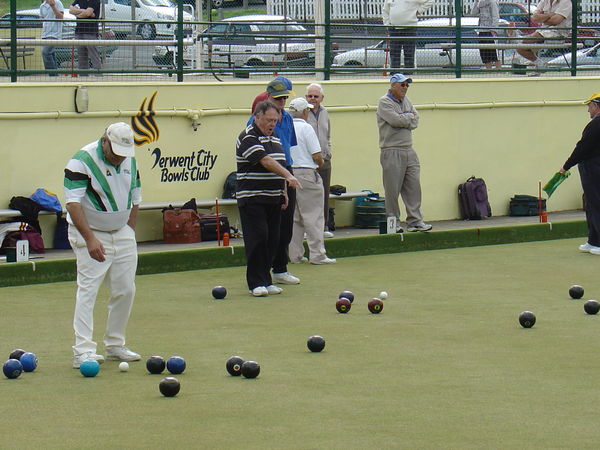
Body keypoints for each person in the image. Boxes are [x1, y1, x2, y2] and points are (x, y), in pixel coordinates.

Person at [64, 122, 142, 368]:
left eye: (124, 154)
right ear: (105, 141)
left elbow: (136, 197)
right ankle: (83, 350)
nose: (120, 159)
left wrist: (128, 229)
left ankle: (115, 345)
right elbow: (73, 204)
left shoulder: (129, 159)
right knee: (88, 290)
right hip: (90, 233)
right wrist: (90, 239)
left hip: (122, 232)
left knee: (126, 289)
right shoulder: (81, 160)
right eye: (116, 153)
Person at [237, 101, 302, 296]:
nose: (272, 124)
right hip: (252, 197)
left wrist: (283, 191)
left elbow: (280, 162)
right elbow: (266, 161)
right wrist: (289, 177)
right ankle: (256, 283)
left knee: (273, 239)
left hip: (274, 198)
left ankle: (266, 280)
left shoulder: (275, 138)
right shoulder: (247, 136)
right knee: (258, 238)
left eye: (275, 120)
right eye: (268, 120)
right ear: (257, 117)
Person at [248, 77, 300, 285]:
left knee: (285, 227)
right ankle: (263, 273)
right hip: (266, 173)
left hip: (286, 169)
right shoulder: (256, 122)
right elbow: (262, 156)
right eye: (278, 98)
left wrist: (288, 173)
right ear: (268, 96)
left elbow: (289, 146)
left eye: (285, 98)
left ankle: (280, 268)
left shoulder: (286, 118)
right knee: (266, 231)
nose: (282, 102)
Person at [376, 73, 432, 233]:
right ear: (393, 85)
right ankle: (393, 223)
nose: (405, 87)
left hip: (409, 149)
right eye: (402, 85)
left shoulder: (407, 101)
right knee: (392, 189)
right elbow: (396, 120)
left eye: (407, 85)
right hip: (391, 150)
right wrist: (407, 118)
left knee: (414, 186)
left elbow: (416, 120)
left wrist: (405, 118)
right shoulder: (384, 102)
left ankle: (415, 221)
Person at [288, 97, 336, 265]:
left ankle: (294, 255)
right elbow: (317, 155)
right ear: (305, 112)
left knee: (295, 217)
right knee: (313, 216)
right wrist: (321, 164)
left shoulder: (285, 127)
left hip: (289, 174)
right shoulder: (307, 128)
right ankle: (317, 254)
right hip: (307, 173)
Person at [559, 93, 600, 254]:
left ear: (596, 106)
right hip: (593, 167)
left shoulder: (596, 124)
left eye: (589, 107)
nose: (588, 111)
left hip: (594, 168)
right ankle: (593, 240)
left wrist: (566, 166)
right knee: (591, 203)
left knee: (596, 204)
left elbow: (582, 148)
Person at [305, 82, 334, 238]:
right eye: (310, 96)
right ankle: (306, 229)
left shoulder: (325, 112)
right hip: (307, 162)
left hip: (324, 159)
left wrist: (328, 151)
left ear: (322, 98)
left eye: (316, 96)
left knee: (324, 193)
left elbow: (327, 134)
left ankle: (323, 227)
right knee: (308, 196)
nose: (313, 99)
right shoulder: (302, 113)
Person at [516, 0, 572, 76]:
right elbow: (534, 18)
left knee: (527, 40)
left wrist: (542, 17)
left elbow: (556, 20)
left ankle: (540, 66)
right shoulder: (544, 1)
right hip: (543, 31)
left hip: (558, 33)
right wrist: (550, 15)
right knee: (520, 48)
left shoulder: (565, 2)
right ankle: (541, 65)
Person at [382, 0, 434, 74]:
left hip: (410, 28)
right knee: (394, 53)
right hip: (393, 29)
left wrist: (419, 11)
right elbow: (385, 11)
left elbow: (430, 1)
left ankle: (408, 74)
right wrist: (387, 25)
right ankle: (395, 74)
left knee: (409, 53)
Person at [69, 0, 102, 73]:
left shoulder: (95, 1)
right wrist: (83, 11)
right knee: (81, 56)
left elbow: (88, 13)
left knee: (94, 55)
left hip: (91, 32)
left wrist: (77, 13)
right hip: (79, 31)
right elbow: (71, 10)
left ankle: (98, 76)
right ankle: (83, 77)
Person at [470, 0, 501, 69]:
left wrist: (494, 30)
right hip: (481, 31)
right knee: (485, 54)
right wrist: (476, 2)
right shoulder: (480, 3)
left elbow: (495, 16)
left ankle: (498, 71)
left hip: (490, 31)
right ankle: (489, 71)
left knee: (494, 55)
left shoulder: (492, 2)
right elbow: (473, 13)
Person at [40, 0, 65, 76]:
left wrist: (53, 6)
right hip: (45, 34)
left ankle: (52, 75)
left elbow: (60, 17)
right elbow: (42, 19)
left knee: (46, 52)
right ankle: (54, 74)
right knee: (51, 54)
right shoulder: (42, 6)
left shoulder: (58, 3)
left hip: (54, 34)